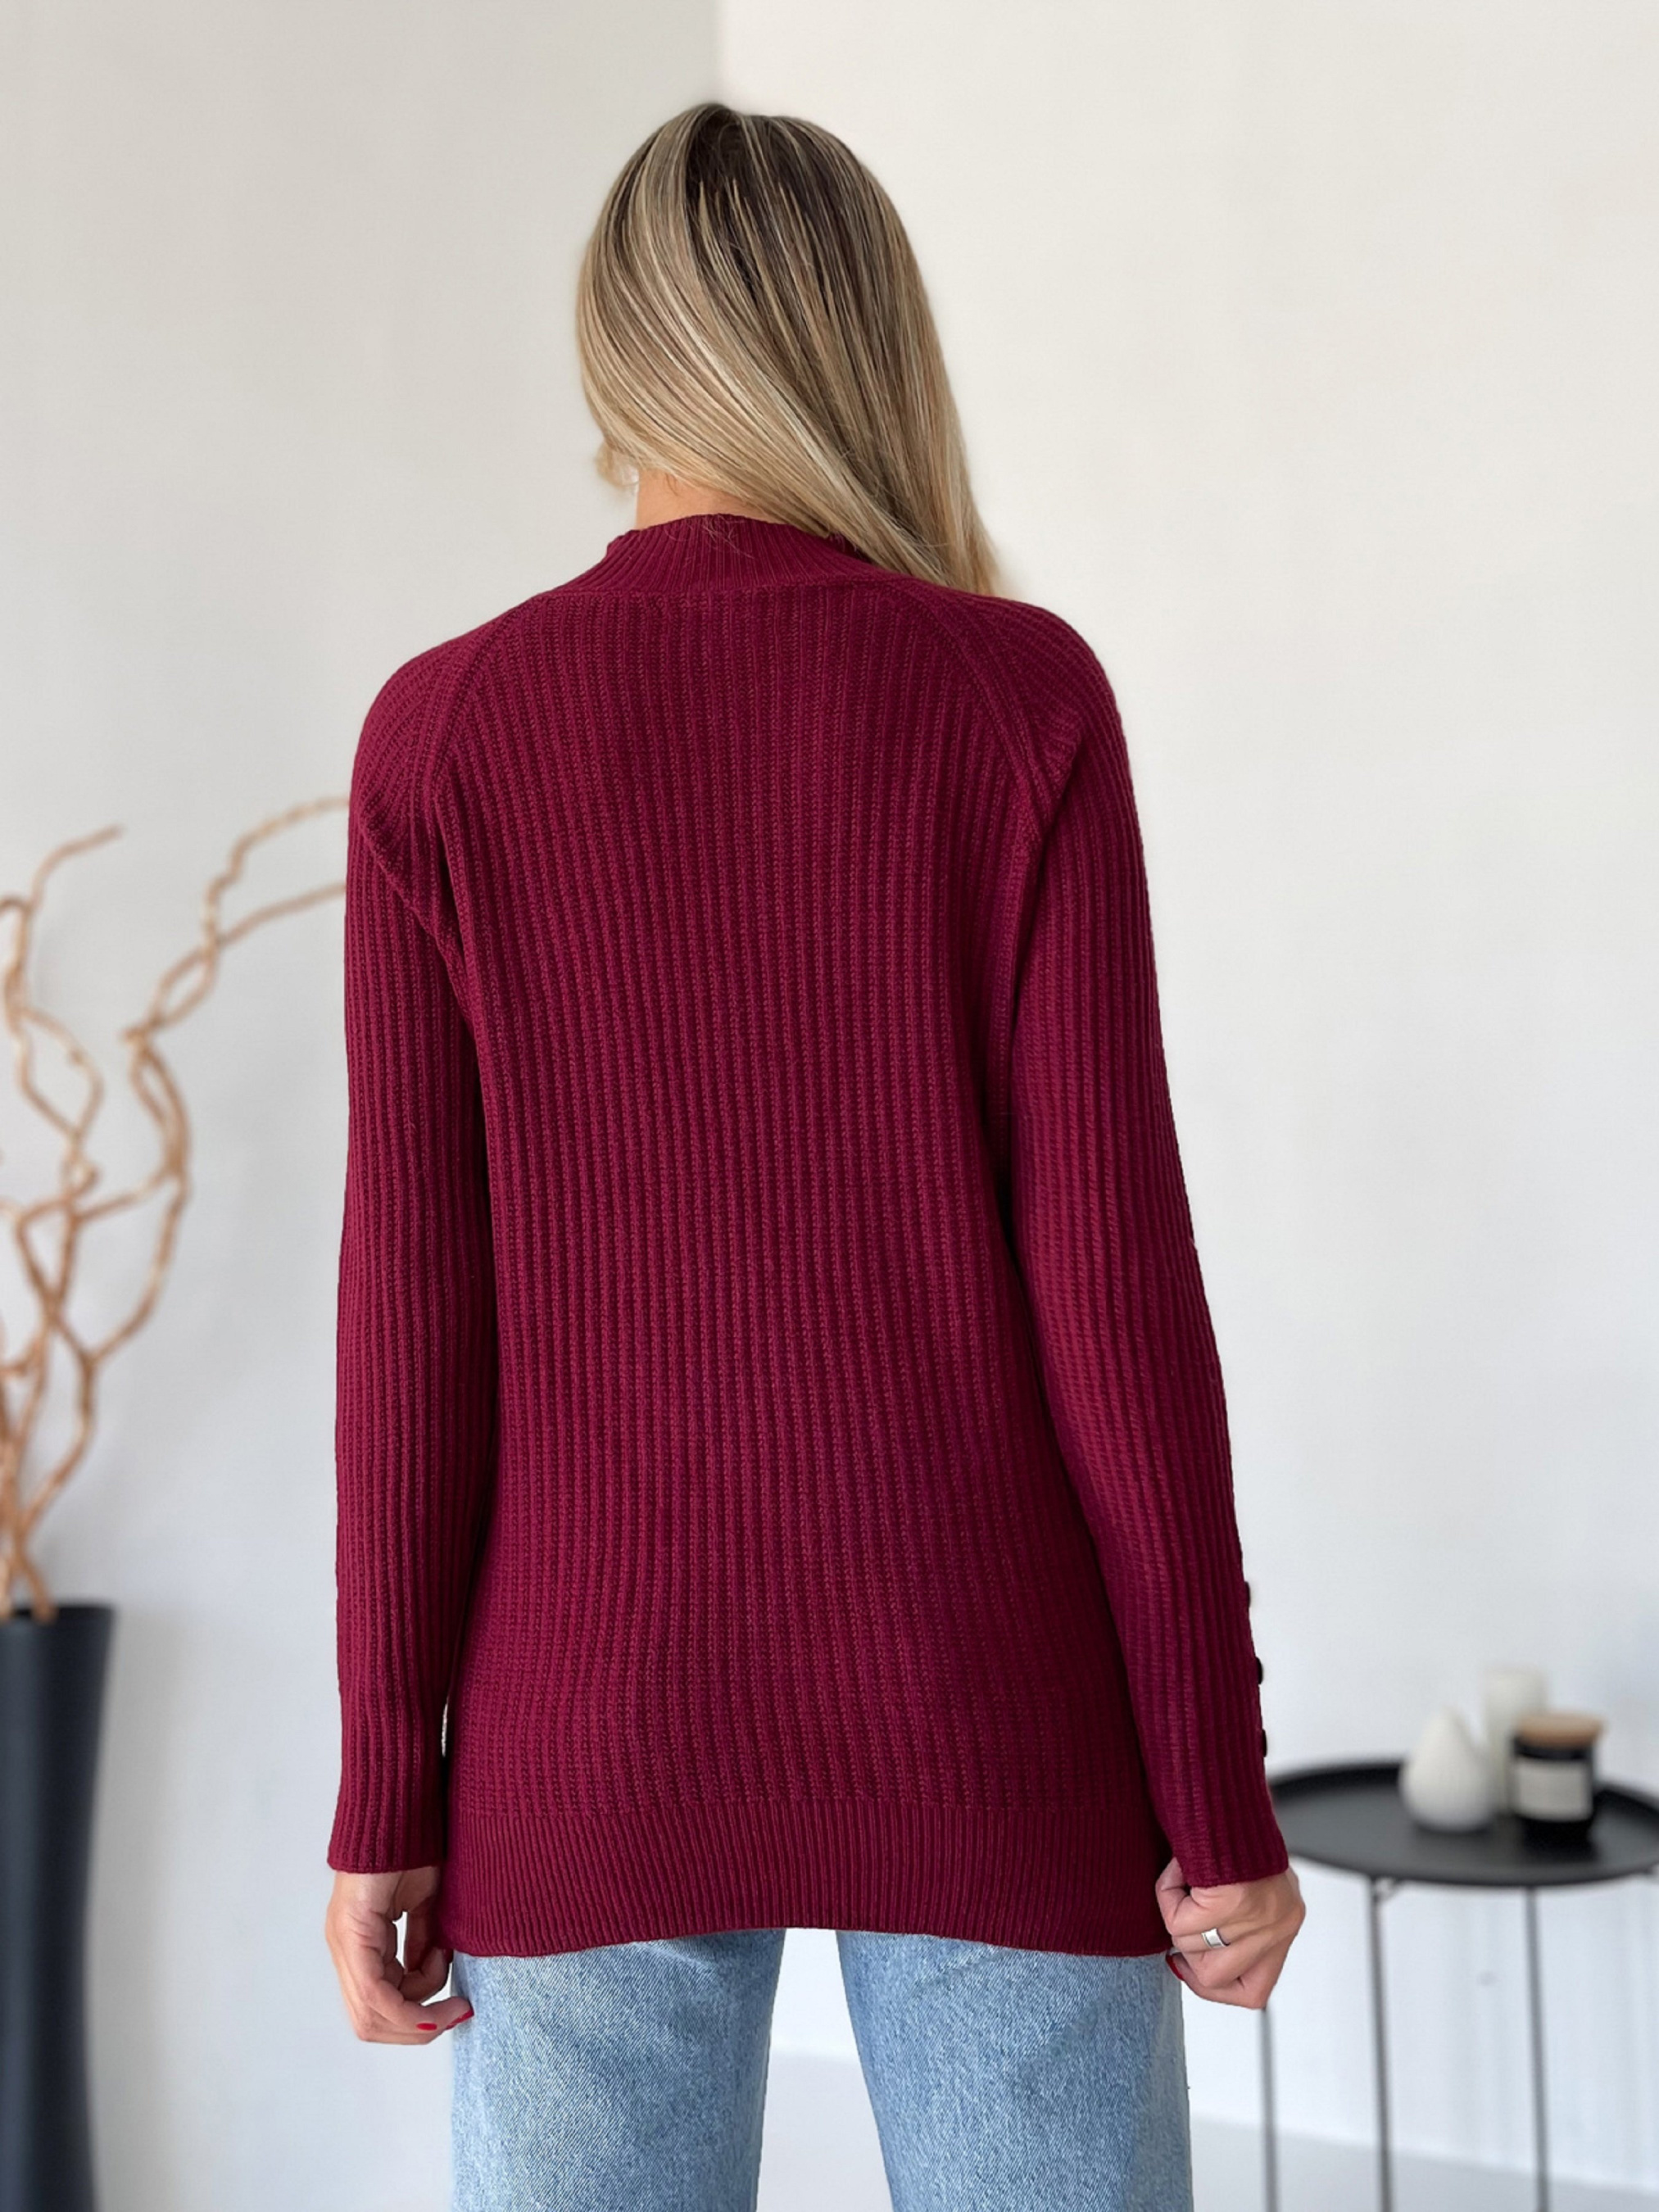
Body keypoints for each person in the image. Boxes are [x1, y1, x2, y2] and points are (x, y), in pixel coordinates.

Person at [322, 98, 1304, 2212]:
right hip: (995, 1718)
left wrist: (384, 1788)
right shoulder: (1017, 701)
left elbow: (412, 1323)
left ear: (615, 357)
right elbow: (1117, 1294)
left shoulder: (447, 734)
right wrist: (1215, 1788)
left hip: (588, 1732)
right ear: (874, 343)